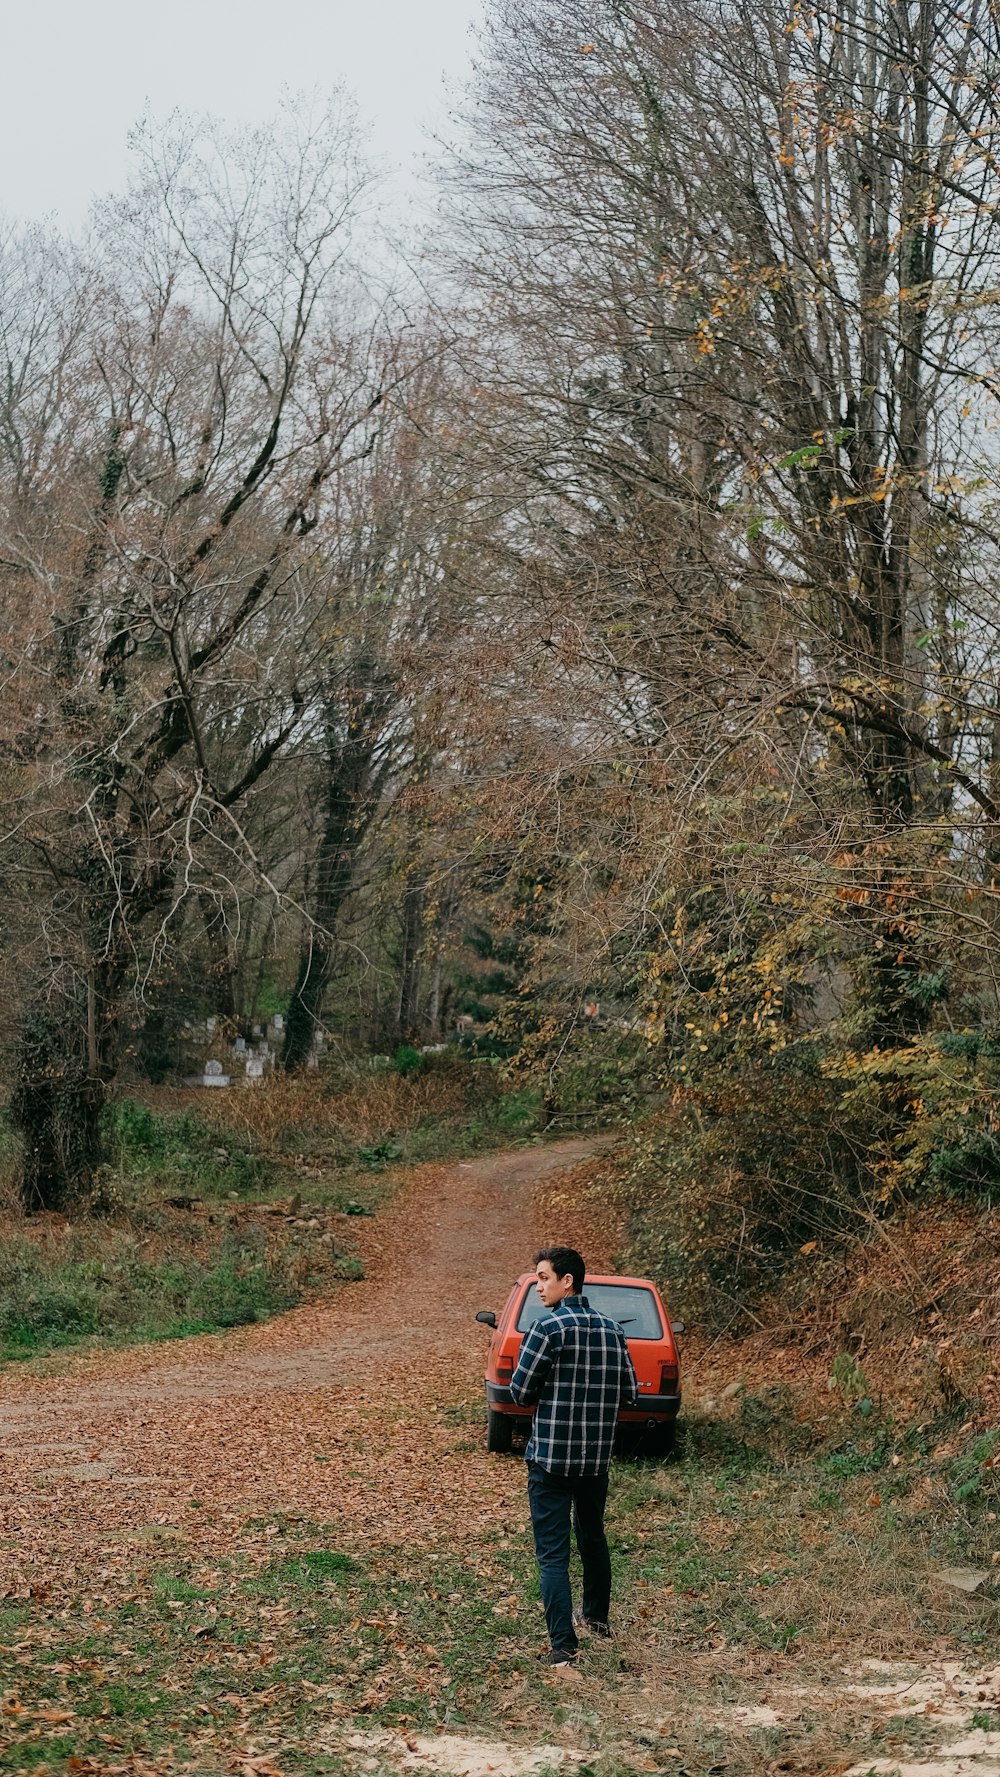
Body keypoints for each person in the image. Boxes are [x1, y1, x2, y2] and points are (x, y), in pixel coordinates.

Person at [508, 1245, 638, 1667]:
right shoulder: (613, 1331)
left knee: (552, 1554)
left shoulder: (547, 1330)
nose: (539, 1287)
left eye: (544, 1278)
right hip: (595, 1461)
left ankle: (563, 1646)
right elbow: (631, 1395)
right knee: (593, 1539)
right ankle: (598, 1622)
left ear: (568, 1281)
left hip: (550, 1459)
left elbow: (520, 1392)